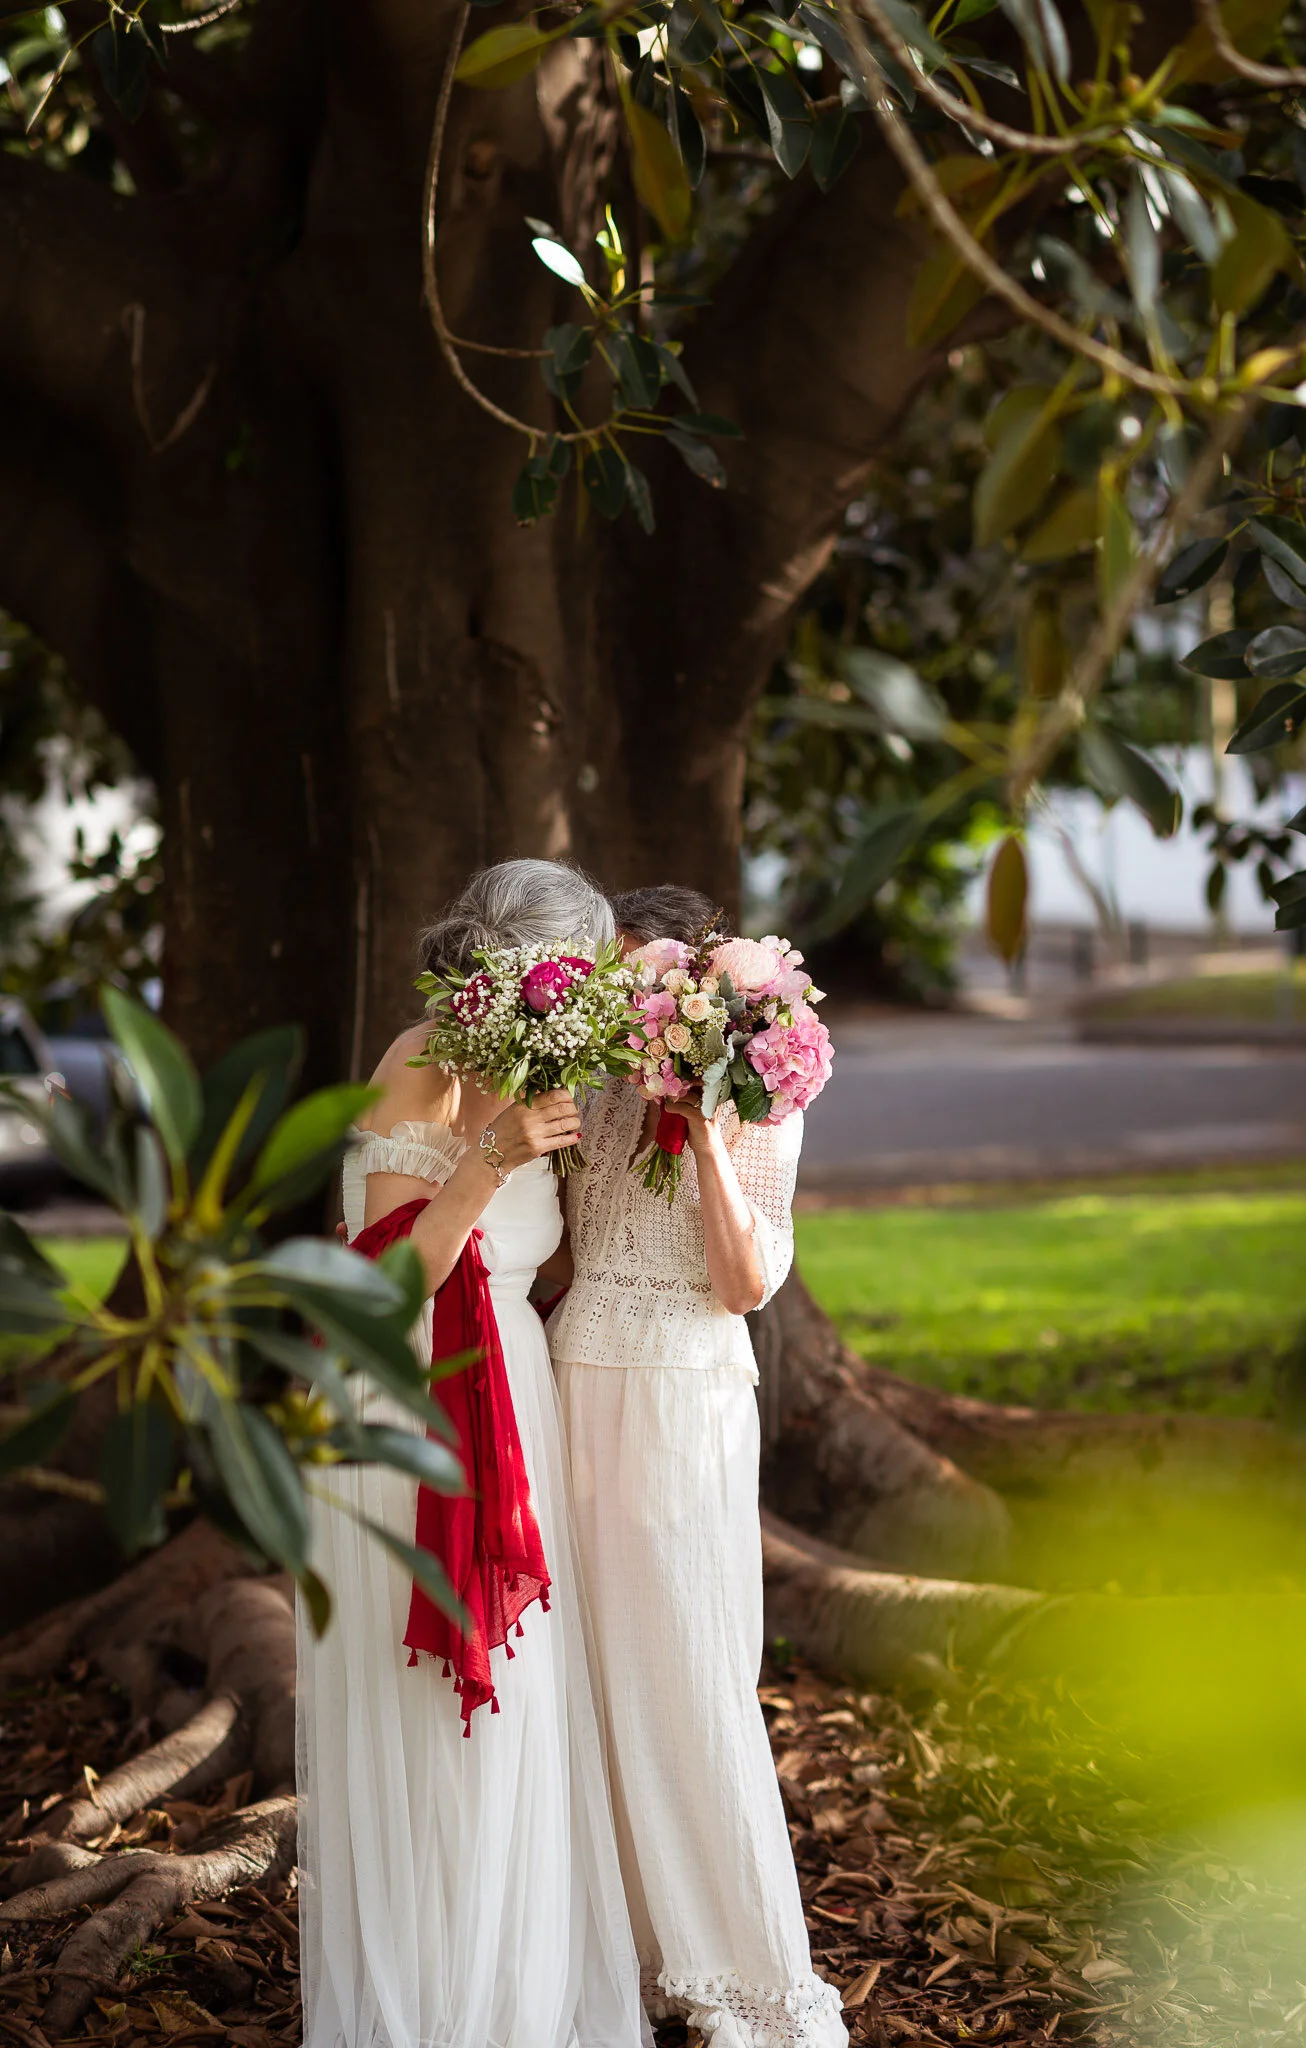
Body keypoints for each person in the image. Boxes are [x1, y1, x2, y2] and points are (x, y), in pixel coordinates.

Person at [296, 859, 649, 2048]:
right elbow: (383, 1282)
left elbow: (530, 1257)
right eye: (579, 973)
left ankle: (509, 1996)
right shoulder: (423, 1062)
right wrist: (491, 1155)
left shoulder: (542, 1071)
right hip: (410, 1402)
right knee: (427, 1715)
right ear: (528, 970)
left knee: (515, 1714)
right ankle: (426, 2004)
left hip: (511, 1392)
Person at [549, 885, 847, 2048]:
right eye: (612, 980)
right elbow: (562, 1248)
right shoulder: (587, 1084)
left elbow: (742, 1283)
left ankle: (745, 1972)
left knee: (683, 1666)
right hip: (572, 1380)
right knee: (587, 1673)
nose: (624, 1004)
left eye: (640, 981)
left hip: (681, 1393)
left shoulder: (757, 1091)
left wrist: (704, 1123)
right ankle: (616, 1948)